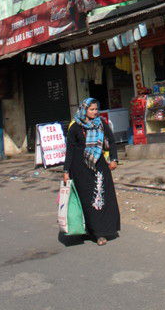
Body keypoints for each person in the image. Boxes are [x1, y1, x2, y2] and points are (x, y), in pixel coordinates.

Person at [63, 98, 120, 245]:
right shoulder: (75, 127)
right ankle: (90, 231)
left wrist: (114, 159)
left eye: (96, 109)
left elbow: (112, 141)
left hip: (99, 166)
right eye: (91, 109)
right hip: (80, 169)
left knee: (100, 198)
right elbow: (69, 150)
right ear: (84, 110)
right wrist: (66, 170)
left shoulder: (101, 124)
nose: (95, 112)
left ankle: (101, 232)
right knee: (86, 200)